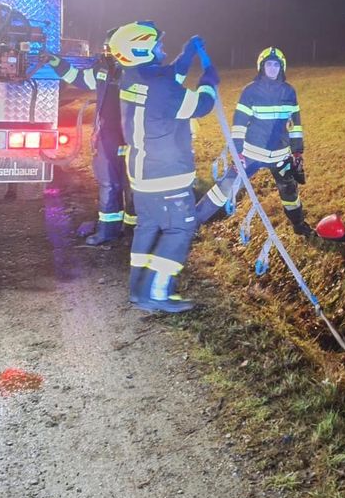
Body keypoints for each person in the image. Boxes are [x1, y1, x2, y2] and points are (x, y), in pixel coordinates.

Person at [109, 21, 219, 312]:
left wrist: (187, 54)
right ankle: (157, 293)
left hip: (143, 176)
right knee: (180, 230)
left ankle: (137, 289)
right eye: (157, 45)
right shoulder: (160, 87)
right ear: (141, 49)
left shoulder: (132, 75)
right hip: (166, 175)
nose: (161, 48)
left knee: (148, 228)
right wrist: (209, 80)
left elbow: (168, 75)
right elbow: (201, 105)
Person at [196, 46, 313, 237]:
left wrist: (297, 152)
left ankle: (299, 225)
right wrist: (238, 152)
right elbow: (239, 124)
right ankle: (195, 220)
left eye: (277, 64)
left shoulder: (289, 91)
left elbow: (295, 124)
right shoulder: (250, 91)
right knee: (225, 187)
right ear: (262, 66)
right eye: (269, 64)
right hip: (251, 154)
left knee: (290, 193)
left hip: (280, 156)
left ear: (282, 67)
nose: (273, 68)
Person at [45, 31, 136, 246]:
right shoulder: (102, 68)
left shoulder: (139, 71)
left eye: (110, 47)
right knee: (108, 183)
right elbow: (79, 78)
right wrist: (57, 62)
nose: (106, 52)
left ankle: (133, 230)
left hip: (134, 135)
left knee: (133, 183)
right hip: (107, 136)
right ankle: (108, 230)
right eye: (106, 48)